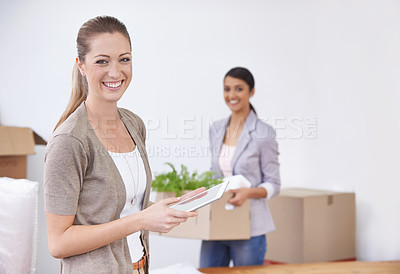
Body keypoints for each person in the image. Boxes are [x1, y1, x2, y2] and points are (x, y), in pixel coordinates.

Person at [44, 16, 203, 274]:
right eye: (102, 61)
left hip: (138, 267)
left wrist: (171, 209)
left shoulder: (134, 124)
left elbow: (125, 208)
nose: (115, 72)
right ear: (81, 66)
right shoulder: (70, 141)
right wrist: (140, 220)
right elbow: (58, 243)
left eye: (124, 59)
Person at [199, 67, 281, 267]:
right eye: (227, 89)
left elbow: (274, 183)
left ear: (251, 92)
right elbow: (215, 174)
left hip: (250, 226)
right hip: (217, 221)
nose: (232, 95)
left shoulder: (264, 133)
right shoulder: (216, 129)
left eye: (239, 89)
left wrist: (247, 192)